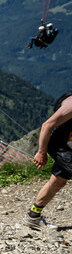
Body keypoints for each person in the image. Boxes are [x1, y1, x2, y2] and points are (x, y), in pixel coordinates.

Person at [26, 91, 72, 229]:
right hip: (62, 147)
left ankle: (33, 216)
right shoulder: (70, 104)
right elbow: (47, 125)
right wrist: (41, 153)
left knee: (58, 182)